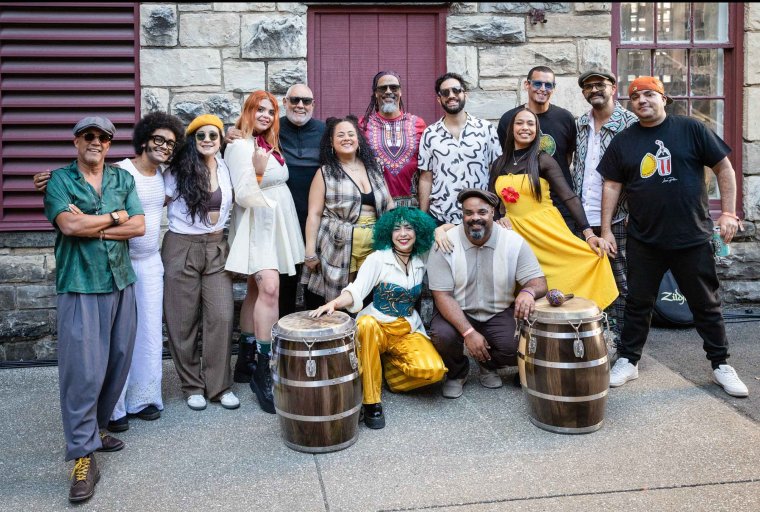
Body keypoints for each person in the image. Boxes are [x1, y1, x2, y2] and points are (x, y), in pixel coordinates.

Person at [597, 76, 749, 397]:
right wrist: (607, 229)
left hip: (691, 236)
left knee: (706, 304)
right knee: (638, 302)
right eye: (636, 96)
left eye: (649, 94)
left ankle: (721, 364)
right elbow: (611, 185)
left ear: (664, 99)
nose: (642, 100)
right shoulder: (624, 141)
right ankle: (628, 359)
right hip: (644, 239)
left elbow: (724, 168)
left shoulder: (690, 129)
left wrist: (729, 213)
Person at [32, 114, 186, 432]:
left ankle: (143, 399)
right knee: (104, 347)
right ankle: (112, 411)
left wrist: (96, 229)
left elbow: (140, 224)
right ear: (144, 139)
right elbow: (78, 203)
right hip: (117, 263)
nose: (164, 146)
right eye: (158, 139)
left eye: (170, 143)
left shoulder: (166, 176)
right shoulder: (120, 170)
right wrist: (47, 183)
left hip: (147, 264)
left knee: (141, 338)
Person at [43, 116, 145, 503]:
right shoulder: (59, 180)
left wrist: (96, 224)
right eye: (89, 136)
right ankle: (83, 457)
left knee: (117, 362)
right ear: (76, 141)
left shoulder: (122, 179)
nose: (96, 142)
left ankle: (96, 428)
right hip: (80, 284)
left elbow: (138, 226)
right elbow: (68, 226)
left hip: (121, 280)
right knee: (82, 372)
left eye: (103, 137)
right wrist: (113, 218)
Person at [309, 207, 447, 429]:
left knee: (434, 372)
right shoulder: (378, 259)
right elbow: (356, 290)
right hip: (377, 329)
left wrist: (441, 230)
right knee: (365, 324)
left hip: (407, 329)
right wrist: (334, 303)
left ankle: (387, 373)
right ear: (388, 234)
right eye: (396, 229)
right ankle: (372, 401)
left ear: (418, 232)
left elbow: (453, 231)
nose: (403, 234)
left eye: (409, 228)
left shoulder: (422, 255)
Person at [224, 90, 305, 414]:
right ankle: (263, 367)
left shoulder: (267, 143)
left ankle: (244, 360)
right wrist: (257, 172)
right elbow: (243, 194)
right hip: (258, 224)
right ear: (247, 111)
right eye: (260, 109)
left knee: (257, 290)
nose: (266, 116)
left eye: (271, 111)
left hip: (276, 224)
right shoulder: (239, 145)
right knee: (270, 288)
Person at [489, 108, 618, 311]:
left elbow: (568, 196)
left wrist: (589, 233)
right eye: (520, 123)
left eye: (531, 124)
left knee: (588, 259)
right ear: (511, 129)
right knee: (523, 281)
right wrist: (499, 217)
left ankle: (575, 321)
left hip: (545, 229)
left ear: (537, 130)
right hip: (516, 234)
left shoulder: (543, 160)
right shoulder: (498, 164)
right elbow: (492, 200)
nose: (525, 128)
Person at [427, 189, 547, 399]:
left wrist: (528, 291)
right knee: (442, 336)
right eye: (469, 212)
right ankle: (457, 372)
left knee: (514, 347)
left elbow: (538, 282)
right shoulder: (445, 243)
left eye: (482, 212)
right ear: (462, 214)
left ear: (493, 212)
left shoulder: (513, 242)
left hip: (497, 312)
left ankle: (487, 364)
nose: (475, 218)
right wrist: (468, 333)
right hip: (458, 310)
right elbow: (442, 296)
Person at [163, 114, 240, 412]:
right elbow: (147, 192)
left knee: (221, 316)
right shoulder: (177, 171)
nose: (207, 140)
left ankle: (219, 385)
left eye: (213, 135)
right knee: (182, 321)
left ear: (221, 140)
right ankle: (192, 385)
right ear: (192, 140)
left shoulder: (226, 167)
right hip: (182, 246)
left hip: (217, 246)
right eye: (201, 136)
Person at [572, 69, 639, 345]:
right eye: (588, 86)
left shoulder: (631, 123)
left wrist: (633, 212)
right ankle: (596, 339)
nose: (594, 90)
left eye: (600, 84)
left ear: (613, 86)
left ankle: (627, 343)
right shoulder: (580, 124)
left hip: (619, 217)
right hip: (583, 217)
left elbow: (639, 173)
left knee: (621, 280)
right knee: (589, 279)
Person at [302, 115, 395, 303]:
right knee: (340, 302)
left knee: (368, 299)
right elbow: (314, 214)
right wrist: (310, 252)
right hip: (338, 245)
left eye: (351, 134)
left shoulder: (374, 168)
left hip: (374, 246)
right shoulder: (325, 173)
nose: (347, 138)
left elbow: (389, 205)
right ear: (331, 142)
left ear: (358, 140)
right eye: (340, 135)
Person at [497, 66, 577, 230]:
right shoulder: (509, 120)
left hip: (562, 203)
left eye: (548, 85)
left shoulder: (565, 118)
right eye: (537, 83)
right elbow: (505, 161)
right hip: (525, 206)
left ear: (553, 88)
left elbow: (567, 157)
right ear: (527, 85)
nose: (543, 89)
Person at [418, 72, 502, 225]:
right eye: (445, 92)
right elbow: (426, 177)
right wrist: (422, 218)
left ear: (465, 94)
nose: (451, 95)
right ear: (439, 99)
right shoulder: (429, 134)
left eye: (456, 90)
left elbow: (497, 171)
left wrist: (498, 210)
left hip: (479, 215)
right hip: (441, 216)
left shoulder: (486, 129)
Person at [359, 71, 426, 207]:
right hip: (376, 205)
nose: (388, 91)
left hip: (412, 205)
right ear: (376, 93)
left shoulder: (418, 124)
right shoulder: (362, 125)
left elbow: (427, 169)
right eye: (383, 88)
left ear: (400, 92)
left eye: (394, 88)